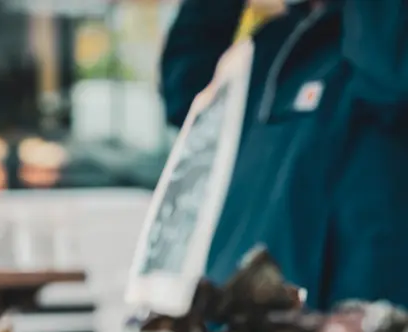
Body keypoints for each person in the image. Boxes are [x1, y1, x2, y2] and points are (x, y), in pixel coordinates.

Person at [160, 0, 408, 310]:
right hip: (240, 321)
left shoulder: (383, 40)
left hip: (351, 321)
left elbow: (392, 78)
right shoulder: (269, 44)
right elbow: (185, 93)